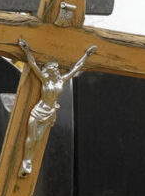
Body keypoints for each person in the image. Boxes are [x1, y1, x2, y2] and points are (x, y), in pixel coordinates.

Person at [18, 38, 96, 177]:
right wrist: (26, 49)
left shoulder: (62, 81)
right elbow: (33, 64)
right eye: (53, 68)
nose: (55, 70)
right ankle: (26, 161)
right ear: (49, 70)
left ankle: (30, 159)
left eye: (56, 69)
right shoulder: (44, 79)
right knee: (31, 137)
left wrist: (87, 55)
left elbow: (76, 68)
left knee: (38, 138)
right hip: (38, 111)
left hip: (50, 112)